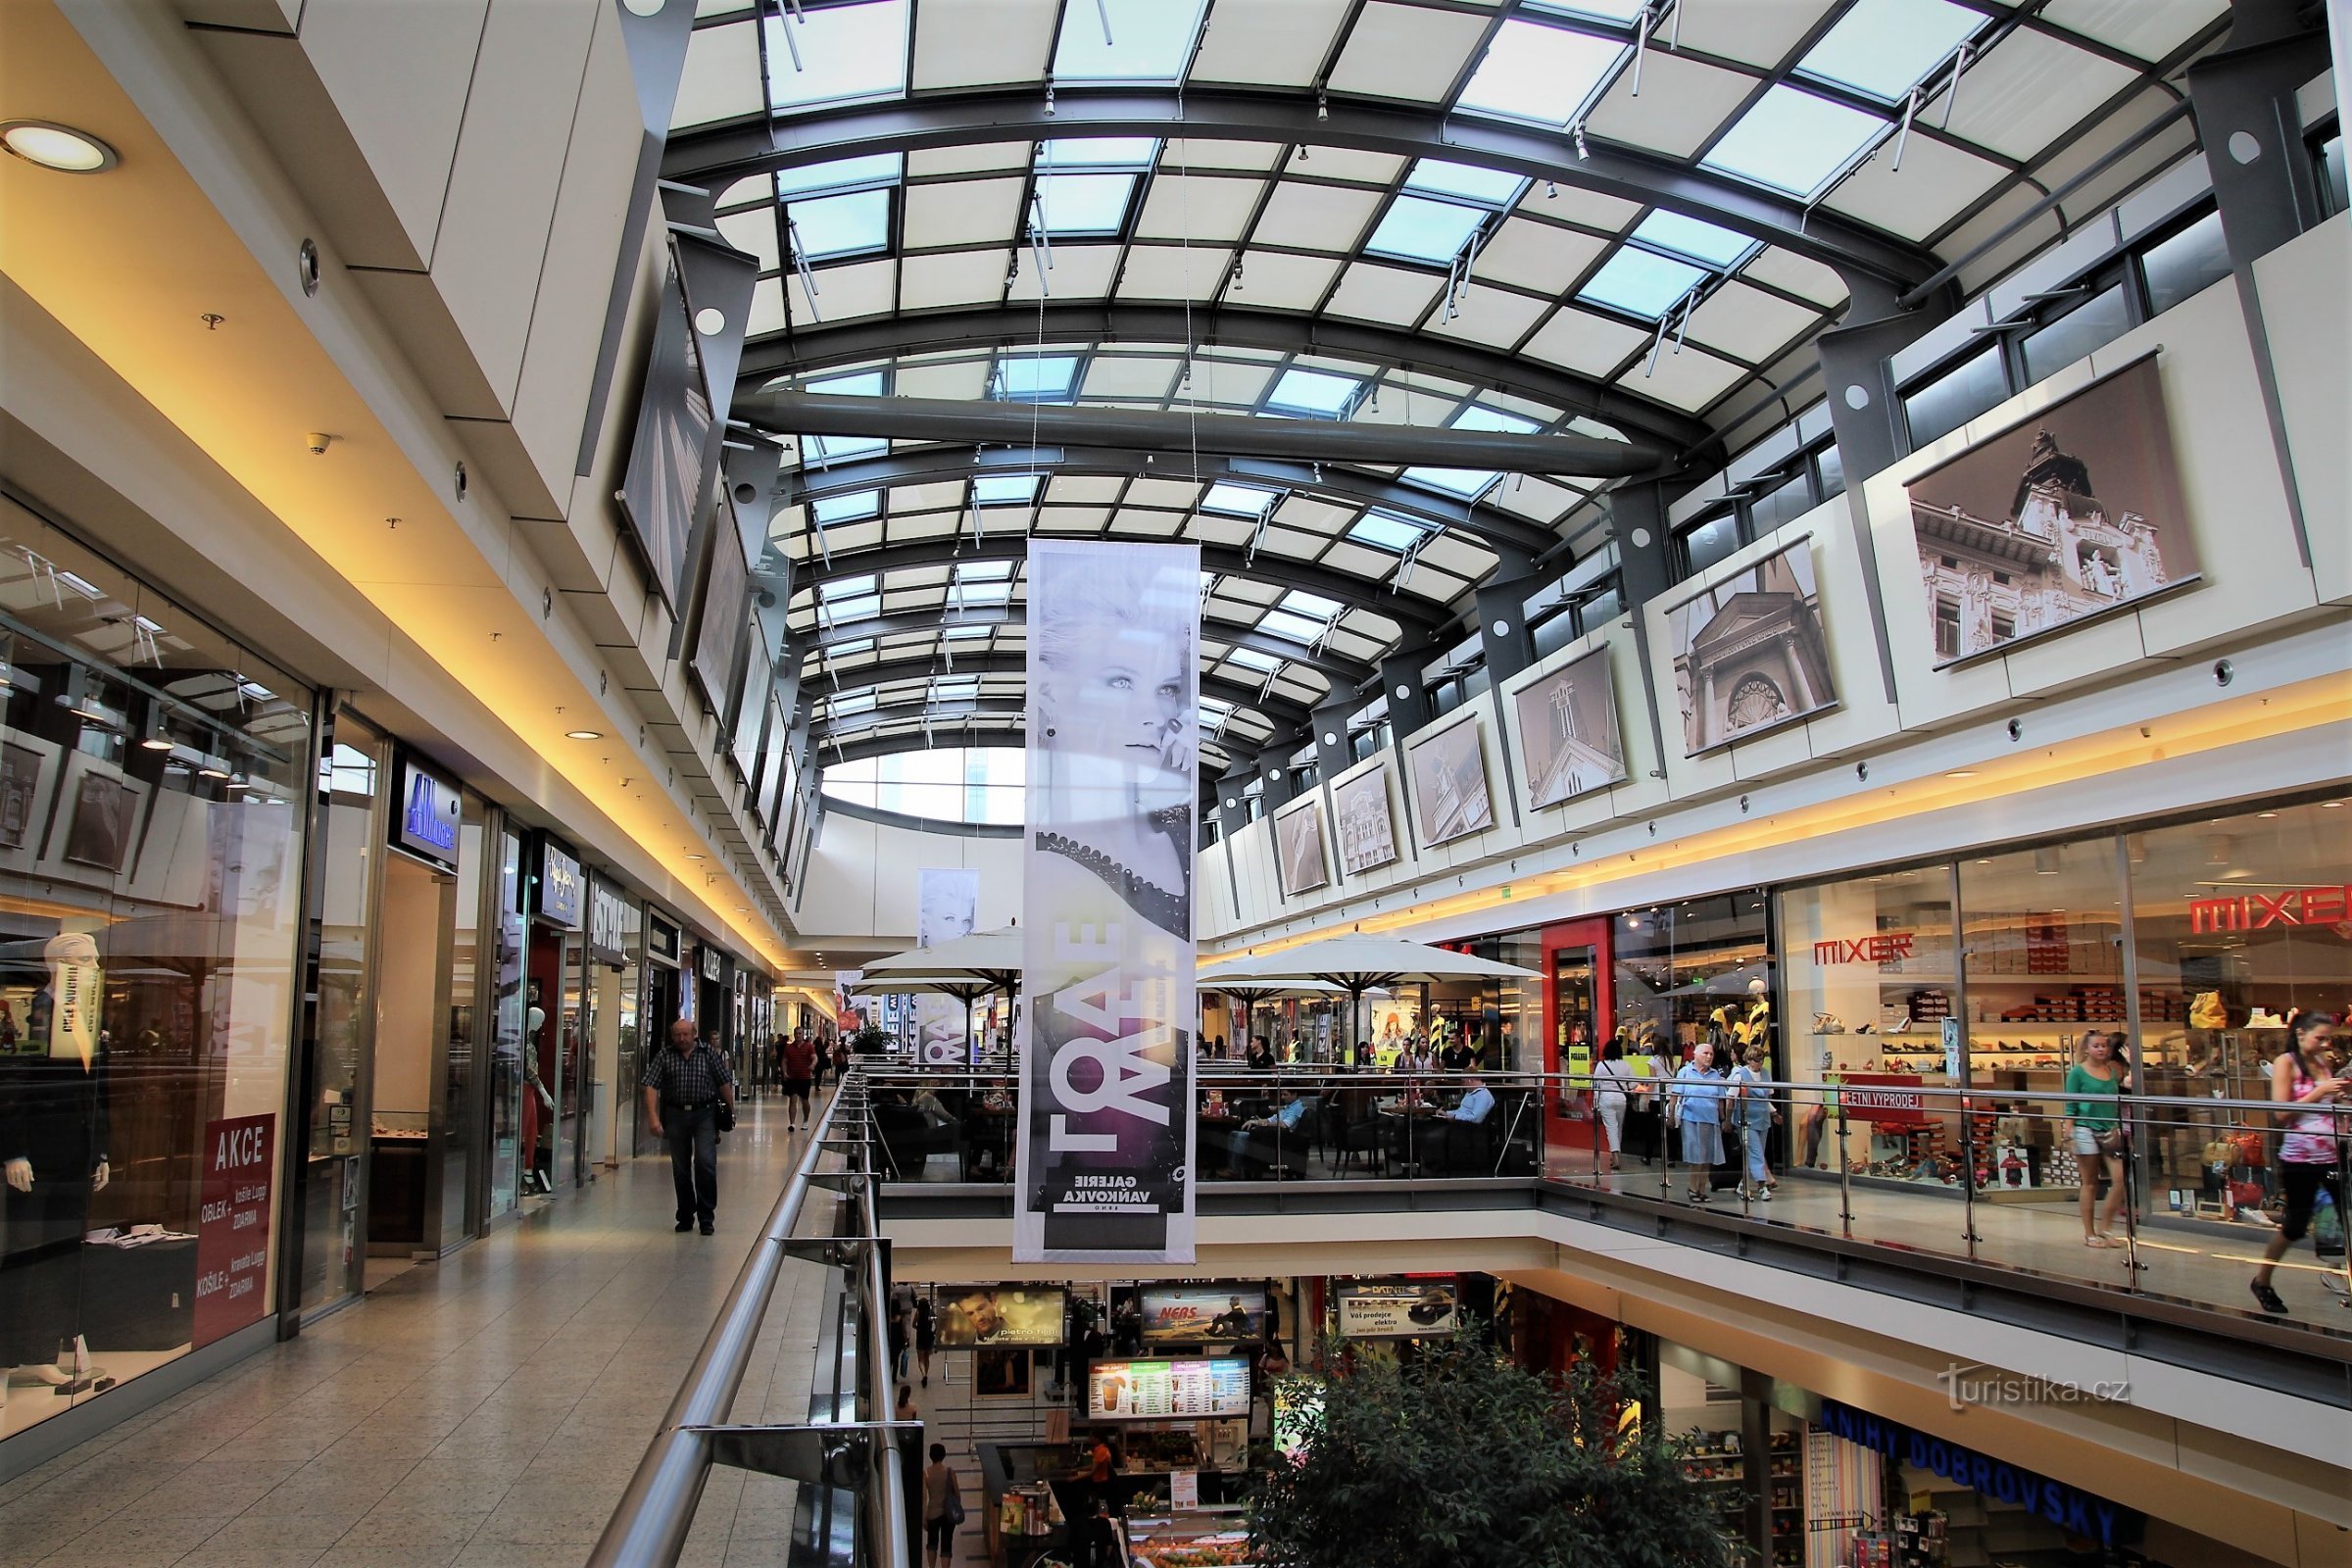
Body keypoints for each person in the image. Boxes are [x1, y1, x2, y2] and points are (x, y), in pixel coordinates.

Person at [2250, 1013, 2343, 1314]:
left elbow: (2323, 1105)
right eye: (2320, 1037)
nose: (2325, 1043)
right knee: (2295, 1226)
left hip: (2331, 1154)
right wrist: (2320, 1093)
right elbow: (2281, 1113)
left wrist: (2339, 1096)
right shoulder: (2285, 1063)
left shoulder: (2321, 1062)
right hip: (2300, 1158)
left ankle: (2339, 1275)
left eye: (2328, 1038)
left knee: (2347, 1218)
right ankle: (2262, 1280)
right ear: (2301, 1033)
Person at [640, 1018, 736, 1235]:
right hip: (676, 1115)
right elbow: (651, 1086)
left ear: (694, 1034)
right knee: (680, 1168)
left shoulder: (708, 1054)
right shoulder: (665, 1055)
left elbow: (723, 1082)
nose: (681, 1039)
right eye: (677, 1035)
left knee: (705, 1162)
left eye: (685, 1034)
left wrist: (731, 1110)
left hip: (705, 1114)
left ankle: (706, 1217)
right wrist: (653, 1117)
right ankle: (685, 1214)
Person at [2064, 1031, 2132, 1248]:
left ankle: (2106, 1226)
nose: (2101, 1049)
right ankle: (2089, 1233)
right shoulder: (2077, 1073)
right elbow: (2070, 1103)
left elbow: (2127, 1090)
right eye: (2096, 1046)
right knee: (2090, 1182)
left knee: (2120, 1179)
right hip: (2085, 1128)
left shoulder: (2111, 1071)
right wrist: (2069, 1131)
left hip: (2109, 1127)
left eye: (2104, 1045)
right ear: (2086, 1049)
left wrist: (2132, 1064)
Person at [1668, 1042, 1726, 1203]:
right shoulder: (1685, 1072)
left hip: (1711, 1120)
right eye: (1705, 1053)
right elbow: (1675, 1096)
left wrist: (1724, 1119)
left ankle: (1702, 1189)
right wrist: (1671, 1116)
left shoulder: (1716, 1075)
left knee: (1707, 1157)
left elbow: (1721, 1100)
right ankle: (1693, 1188)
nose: (1709, 1057)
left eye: (1711, 1054)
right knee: (1696, 1157)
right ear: (1696, 1055)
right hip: (1691, 1119)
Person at [1728, 1041, 1779, 1200]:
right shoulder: (1740, 1074)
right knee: (1755, 1152)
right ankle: (1762, 1186)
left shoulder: (1765, 1073)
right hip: (1746, 1119)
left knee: (1756, 1153)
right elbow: (1731, 1097)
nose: (1759, 1063)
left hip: (1763, 1119)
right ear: (1748, 1060)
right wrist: (1727, 1120)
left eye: (1761, 1059)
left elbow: (1765, 1098)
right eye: (1756, 1060)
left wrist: (1774, 1113)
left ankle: (1743, 1184)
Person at [1228, 1088, 1311, 1175]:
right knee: (1233, 1134)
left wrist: (1260, 1124)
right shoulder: (1288, 1107)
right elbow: (1270, 1120)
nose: (1282, 1097)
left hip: (1279, 1139)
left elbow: (1284, 1125)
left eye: (1285, 1094)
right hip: (1271, 1135)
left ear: (1294, 1094)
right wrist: (1255, 1121)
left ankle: (1234, 1171)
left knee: (1240, 1136)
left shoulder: (1296, 1108)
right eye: (1282, 1094)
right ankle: (1232, 1167)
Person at [1592, 1038, 1631, 1173]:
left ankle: (1615, 1156)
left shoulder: (1601, 1066)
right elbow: (1632, 1084)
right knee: (1618, 1128)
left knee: (1611, 1129)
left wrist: (1595, 1103)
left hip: (1606, 1098)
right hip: (1621, 1099)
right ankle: (1616, 1154)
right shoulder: (1626, 1065)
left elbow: (1596, 1086)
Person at [921, 1443, 958, 1568]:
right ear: (944, 1455)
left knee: (932, 1543)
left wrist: (923, 1516)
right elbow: (957, 1494)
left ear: (931, 1455)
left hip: (932, 1513)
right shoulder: (950, 1472)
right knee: (946, 1545)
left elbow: (924, 1497)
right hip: (948, 1514)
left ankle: (932, 1566)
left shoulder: (926, 1473)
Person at [779, 1027, 817, 1132]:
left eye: (800, 1033)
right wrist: (785, 1072)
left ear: (803, 1034)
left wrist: (812, 1065)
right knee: (793, 1099)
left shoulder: (809, 1046)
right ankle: (792, 1123)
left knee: (804, 1100)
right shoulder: (789, 1048)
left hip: (805, 1078)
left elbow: (814, 1057)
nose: (798, 1035)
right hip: (792, 1078)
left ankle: (805, 1120)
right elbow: (784, 1061)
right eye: (796, 1033)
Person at [914, 1295, 938, 1387]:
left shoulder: (918, 1313)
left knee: (920, 1360)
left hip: (920, 1336)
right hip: (929, 1336)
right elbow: (937, 1324)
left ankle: (924, 1375)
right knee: (927, 1358)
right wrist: (934, 1332)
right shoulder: (931, 1312)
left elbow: (913, 1324)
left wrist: (918, 1328)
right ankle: (926, 1374)